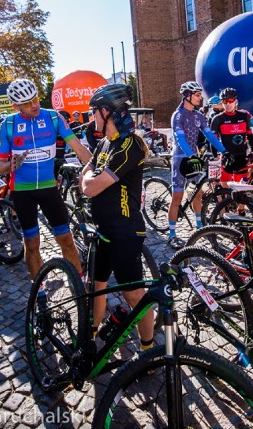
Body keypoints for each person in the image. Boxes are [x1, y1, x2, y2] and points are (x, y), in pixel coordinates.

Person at [80, 84, 154, 350]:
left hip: (125, 231)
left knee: (134, 295)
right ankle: (91, 334)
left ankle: (148, 348)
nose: (92, 119)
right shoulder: (104, 143)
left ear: (106, 112)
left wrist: (88, 178)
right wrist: (89, 177)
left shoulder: (129, 145)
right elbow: (87, 174)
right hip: (103, 230)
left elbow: (89, 186)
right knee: (96, 287)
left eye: (94, 113)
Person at [0, 78, 92, 279]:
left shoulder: (53, 118)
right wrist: (11, 165)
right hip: (23, 191)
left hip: (48, 188)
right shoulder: (8, 125)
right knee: (31, 243)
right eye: (28, 103)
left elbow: (79, 148)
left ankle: (79, 282)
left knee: (66, 238)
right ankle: (39, 290)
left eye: (36, 99)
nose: (35, 105)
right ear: (16, 106)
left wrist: (98, 170)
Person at [168, 81, 226, 246]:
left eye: (200, 95)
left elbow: (210, 136)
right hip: (181, 158)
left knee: (198, 193)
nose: (201, 98)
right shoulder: (178, 115)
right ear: (187, 96)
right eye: (197, 95)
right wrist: (191, 155)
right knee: (177, 197)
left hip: (194, 158)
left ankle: (200, 227)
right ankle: (172, 234)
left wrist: (224, 150)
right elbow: (180, 138)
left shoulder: (199, 115)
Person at [210, 87, 253, 182]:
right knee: (224, 188)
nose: (228, 104)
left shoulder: (244, 115)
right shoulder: (217, 119)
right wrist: (215, 156)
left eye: (230, 100)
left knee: (240, 188)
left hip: (242, 156)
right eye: (224, 101)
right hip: (227, 156)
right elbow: (213, 140)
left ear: (236, 101)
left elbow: (250, 134)